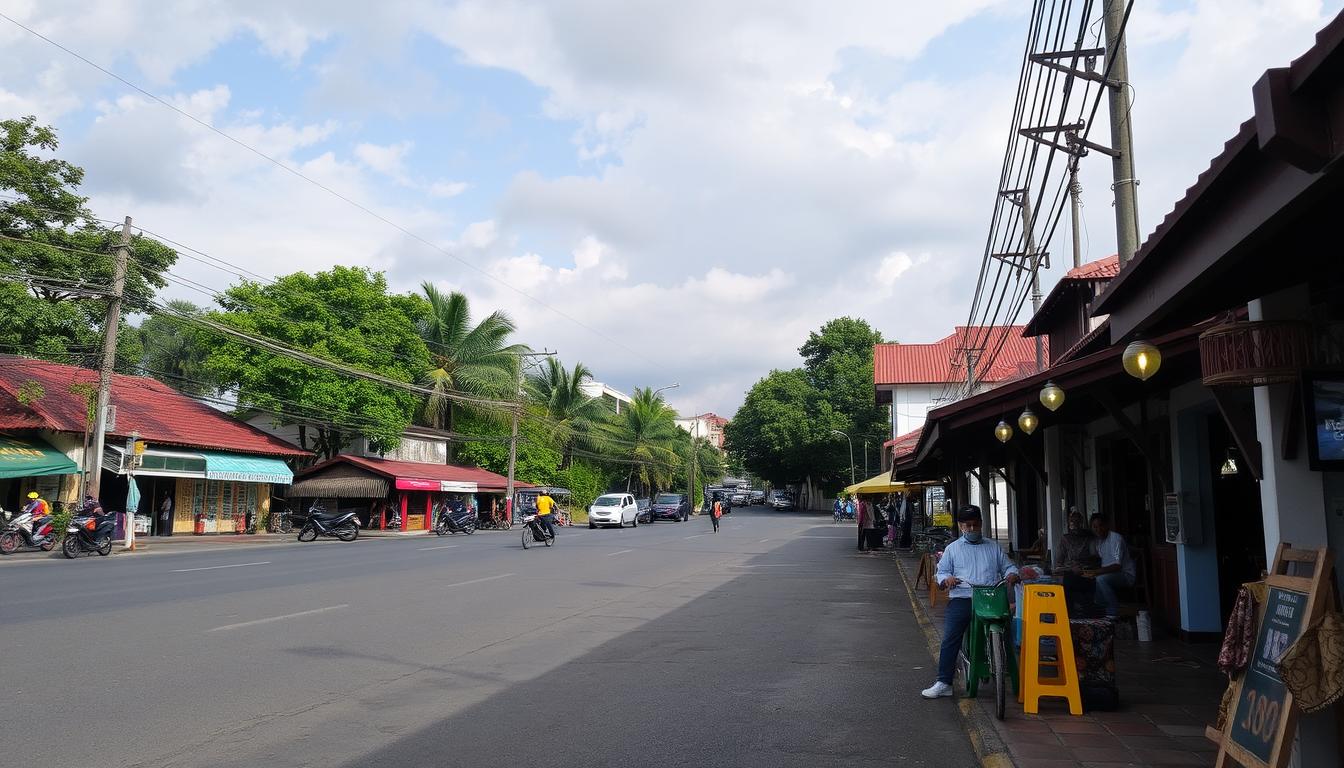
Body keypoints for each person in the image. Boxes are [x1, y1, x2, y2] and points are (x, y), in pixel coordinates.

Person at [921, 504, 1020, 699]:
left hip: (991, 598)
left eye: (975, 525)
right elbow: (941, 573)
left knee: (1006, 632)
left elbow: (1009, 567)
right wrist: (946, 579)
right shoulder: (953, 549)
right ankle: (944, 682)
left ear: (981, 524)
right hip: (963, 597)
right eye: (968, 525)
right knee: (950, 637)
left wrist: (1012, 575)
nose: (972, 529)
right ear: (960, 526)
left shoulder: (993, 547)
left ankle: (1007, 671)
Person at [1089, 513, 1135, 618]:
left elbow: (1117, 566)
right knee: (1094, 578)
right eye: (1095, 527)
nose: (1098, 529)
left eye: (1101, 525)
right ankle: (1100, 608)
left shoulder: (1116, 538)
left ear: (1107, 525)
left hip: (1125, 574)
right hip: (1111, 574)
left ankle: (1113, 610)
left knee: (1100, 579)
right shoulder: (1099, 542)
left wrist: (1098, 571)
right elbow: (1099, 557)